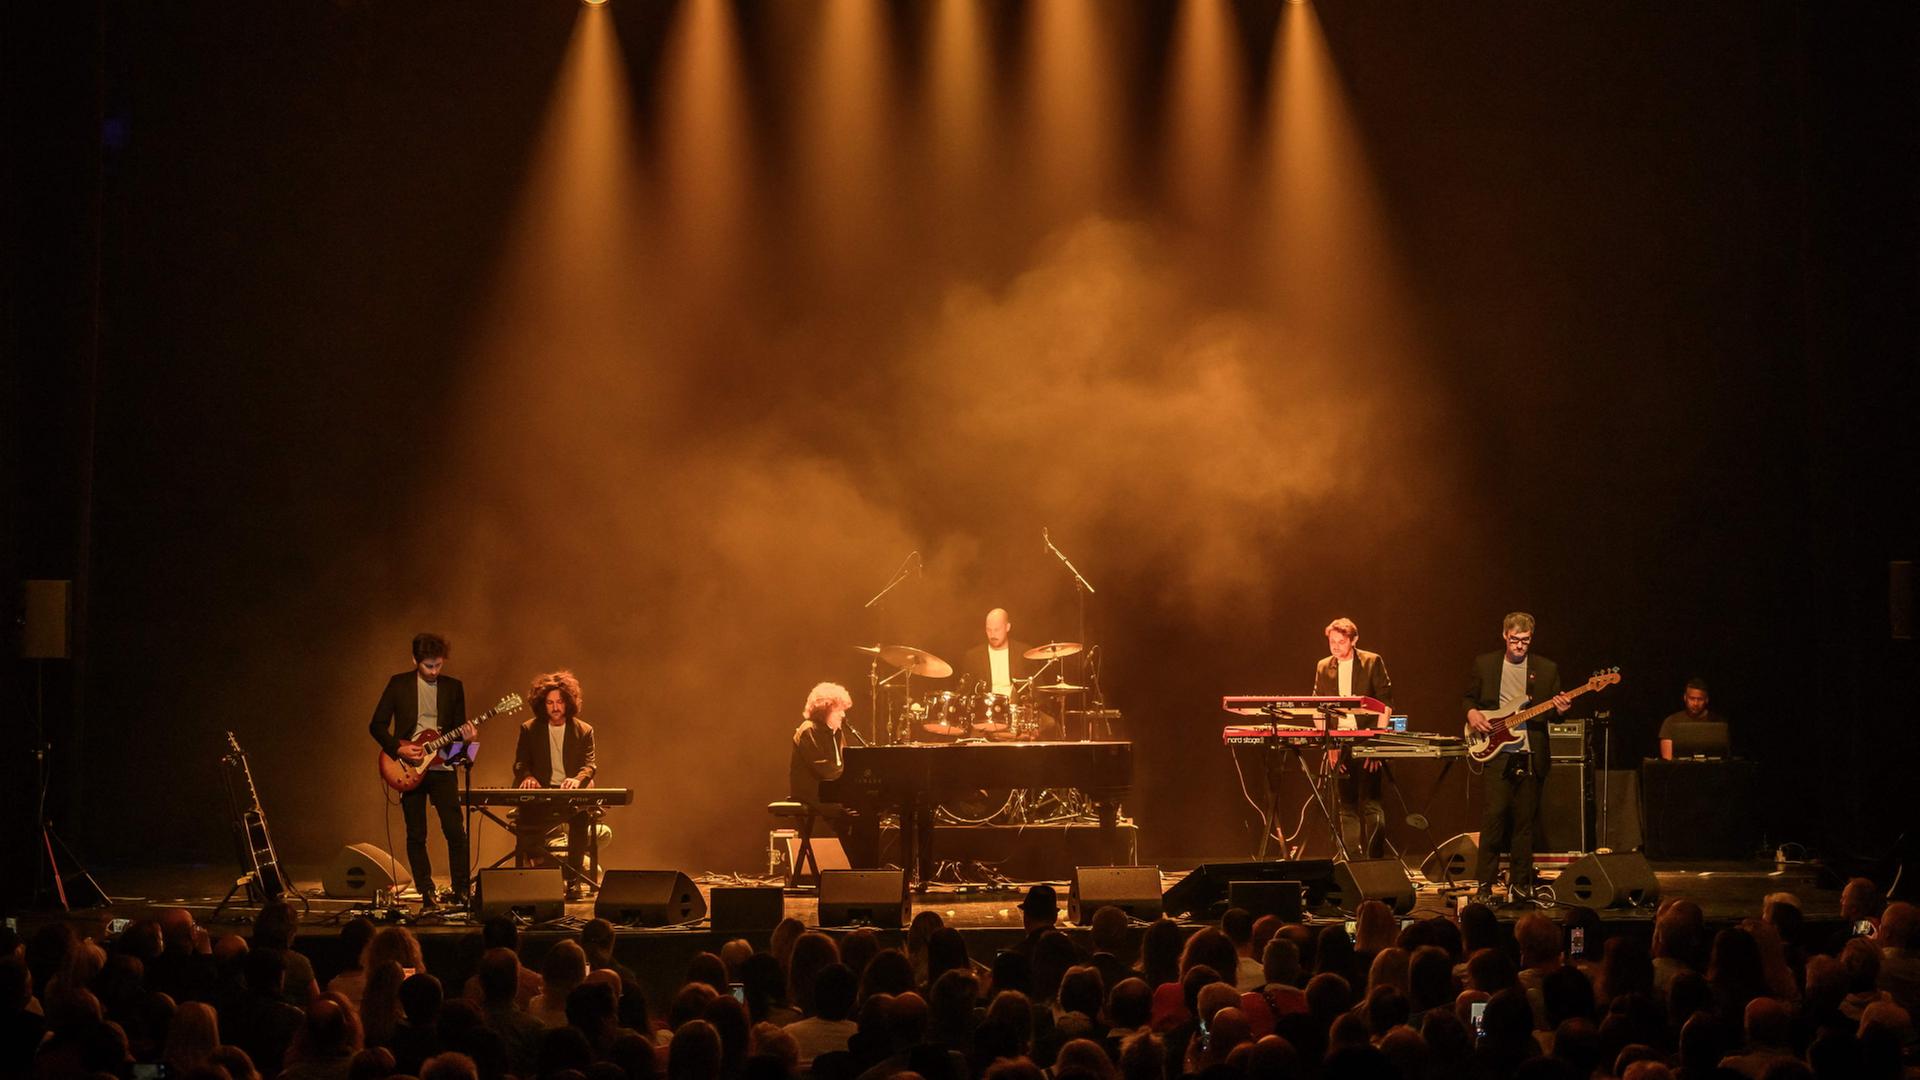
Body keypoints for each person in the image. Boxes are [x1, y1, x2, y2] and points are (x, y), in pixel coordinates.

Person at [1465, 612, 1571, 903]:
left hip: (1529, 755)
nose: (1519, 646)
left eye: (1525, 641)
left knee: (1524, 825)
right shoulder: (1485, 664)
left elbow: (1552, 715)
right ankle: (1484, 886)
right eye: (1514, 640)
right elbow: (1468, 698)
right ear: (1504, 636)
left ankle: (1520, 886)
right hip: (1497, 754)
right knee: (1494, 819)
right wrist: (1473, 714)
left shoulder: (1546, 669)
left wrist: (1561, 710)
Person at [369, 633, 476, 909]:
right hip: (408, 766)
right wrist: (398, 749)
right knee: (416, 833)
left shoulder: (454, 687)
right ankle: (426, 891)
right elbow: (377, 725)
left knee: (455, 830)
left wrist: (466, 740)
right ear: (415, 660)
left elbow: (457, 730)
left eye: (438, 665)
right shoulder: (399, 684)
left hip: (441, 766)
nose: (433, 671)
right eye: (428, 666)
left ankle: (462, 890)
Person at [1311, 617, 1395, 857]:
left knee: (1371, 802)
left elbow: (1385, 704)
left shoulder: (1371, 661)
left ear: (1354, 640)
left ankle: (1375, 860)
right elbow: (1318, 707)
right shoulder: (1323, 666)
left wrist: (1376, 745)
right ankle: (1352, 861)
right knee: (1346, 805)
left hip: (1367, 739)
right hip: (1339, 740)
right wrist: (1329, 745)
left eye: (1341, 641)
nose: (1335, 647)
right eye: (1332, 642)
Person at [512, 670, 600, 897]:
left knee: (580, 819)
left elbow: (590, 765)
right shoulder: (529, 728)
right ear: (542, 704)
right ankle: (539, 874)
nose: (555, 707)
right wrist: (528, 777)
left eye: (560, 701)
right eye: (550, 702)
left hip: (569, 793)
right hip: (541, 793)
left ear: (568, 702)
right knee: (526, 814)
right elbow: (521, 763)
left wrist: (577, 780)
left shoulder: (584, 730)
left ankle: (572, 880)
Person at [1658, 678, 1727, 759]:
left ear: (1706, 700)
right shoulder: (1671, 722)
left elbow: (1724, 756)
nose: (1695, 703)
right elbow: (1667, 759)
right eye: (1692, 698)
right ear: (1685, 698)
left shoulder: (1719, 723)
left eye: (1700, 699)